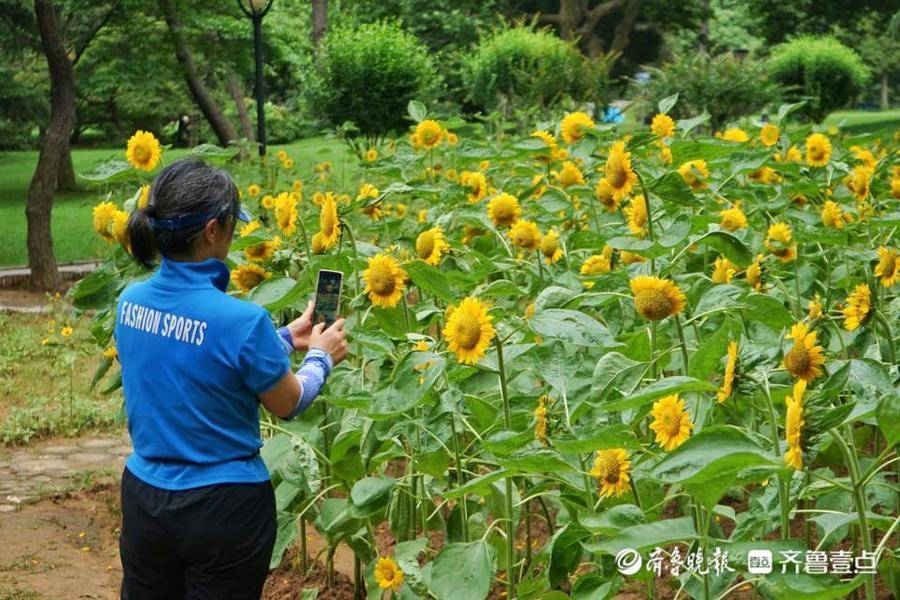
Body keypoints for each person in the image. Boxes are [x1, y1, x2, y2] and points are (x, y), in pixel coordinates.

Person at [114, 159, 348, 599]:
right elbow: (288, 402)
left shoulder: (130, 302)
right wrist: (320, 357)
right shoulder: (241, 321)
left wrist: (280, 340)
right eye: (230, 226)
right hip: (224, 507)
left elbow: (188, 359)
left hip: (146, 497)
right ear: (211, 231)